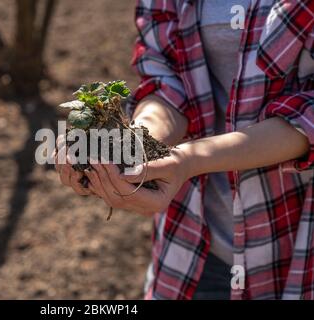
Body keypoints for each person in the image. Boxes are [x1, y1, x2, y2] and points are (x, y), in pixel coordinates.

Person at [55, 0, 314, 299]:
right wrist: (135, 145)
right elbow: (168, 79)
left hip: (296, 250)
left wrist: (189, 160)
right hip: (196, 246)